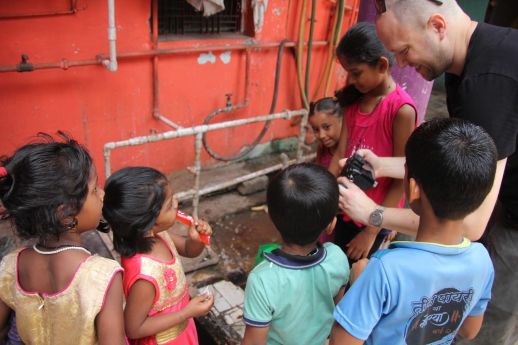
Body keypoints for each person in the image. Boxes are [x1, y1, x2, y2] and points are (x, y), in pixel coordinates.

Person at [338, 1, 518, 343]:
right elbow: (457, 166)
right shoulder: (464, 62)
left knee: (493, 328)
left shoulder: (486, 85)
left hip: (511, 222)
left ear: (437, 25)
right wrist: (382, 164)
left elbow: (468, 223)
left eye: (404, 50)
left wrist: (373, 213)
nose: (401, 64)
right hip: (495, 206)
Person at [331, 118, 497, 345]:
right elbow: (469, 330)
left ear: (413, 189)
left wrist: (357, 283)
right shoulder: (482, 260)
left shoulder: (385, 270)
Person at [0, 132, 125, 344]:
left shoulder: (11, 265)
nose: (102, 194)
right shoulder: (102, 276)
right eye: (94, 189)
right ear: (64, 212)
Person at [328, 22, 417, 262]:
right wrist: (328, 201)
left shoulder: (401, 110)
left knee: (359, 276)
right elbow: (340, 154)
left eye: (356, 73)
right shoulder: (354, 102)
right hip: (346, 205)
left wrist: (370, 232)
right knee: (339, 270)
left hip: (375, 217)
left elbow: (402, 177)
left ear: (382, 65)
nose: (352, 80)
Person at [102, 167, 214, 345]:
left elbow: (188, 249)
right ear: (148, 223)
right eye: (169, 205)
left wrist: (196, 240)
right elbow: (133, 328)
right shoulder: (145, 275)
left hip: (182, 331)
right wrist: (187, 312)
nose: (176, 203)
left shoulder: (160, 236)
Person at [241, 163, 350, 345]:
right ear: (331, 224)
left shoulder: (262, 279)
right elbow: (339, 312)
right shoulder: (337, 257)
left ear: (272, 218)